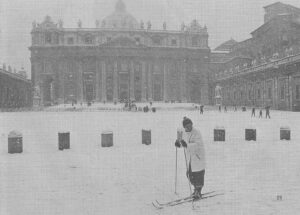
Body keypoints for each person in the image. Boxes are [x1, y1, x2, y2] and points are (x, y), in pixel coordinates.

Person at [175, 117, 206, 199]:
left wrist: (187, 145)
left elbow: (198, 145)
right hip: (190, 157)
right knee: (189, 174)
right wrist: (178, 143)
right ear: (184, 127)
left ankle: (198, 191)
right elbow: (180, 140)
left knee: (198, 174)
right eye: (187, 126)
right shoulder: (182, 131)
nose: (189, 127)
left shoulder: (197, 133)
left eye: (190, 125)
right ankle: (196, 189)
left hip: (198, 156)